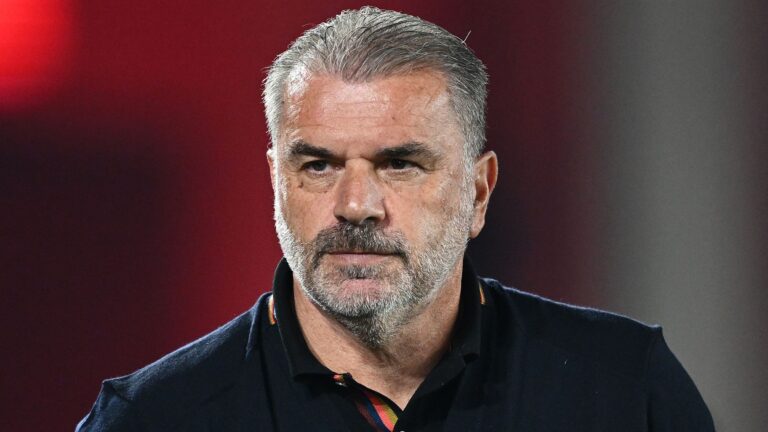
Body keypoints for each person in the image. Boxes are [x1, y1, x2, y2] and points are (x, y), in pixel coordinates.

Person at [77, 7, 714, 431]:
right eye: (318, 165)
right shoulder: (154, 419)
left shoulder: (624, 389)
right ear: (277, 182)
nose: (356, 205)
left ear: (478, 193)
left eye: (400, 164)